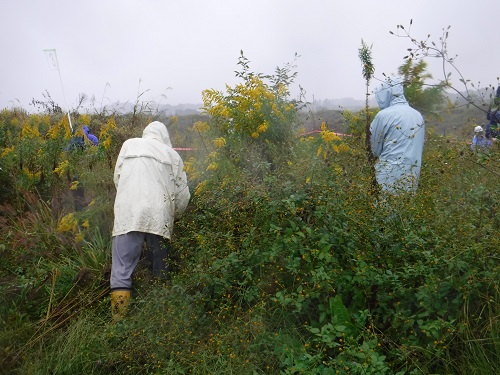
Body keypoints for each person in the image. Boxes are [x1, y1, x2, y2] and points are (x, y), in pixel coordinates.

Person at [110, 121, 190, 322]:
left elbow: (118, 178)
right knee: (161, 268)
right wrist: (175, 216)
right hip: (159, 216)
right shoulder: (172, 155)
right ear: (165, 137)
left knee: (121, 269)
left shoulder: (129, 145)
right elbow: (183, 195)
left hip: (128, 214)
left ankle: (118, 322)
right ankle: (160, 319)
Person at [370, 77, 425, 195]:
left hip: (388, 175)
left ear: (386, 94)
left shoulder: (383, 115)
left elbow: (375, 150)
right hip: (412, 173)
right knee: (406, 208)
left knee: (385, 209)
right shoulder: (418, 115)